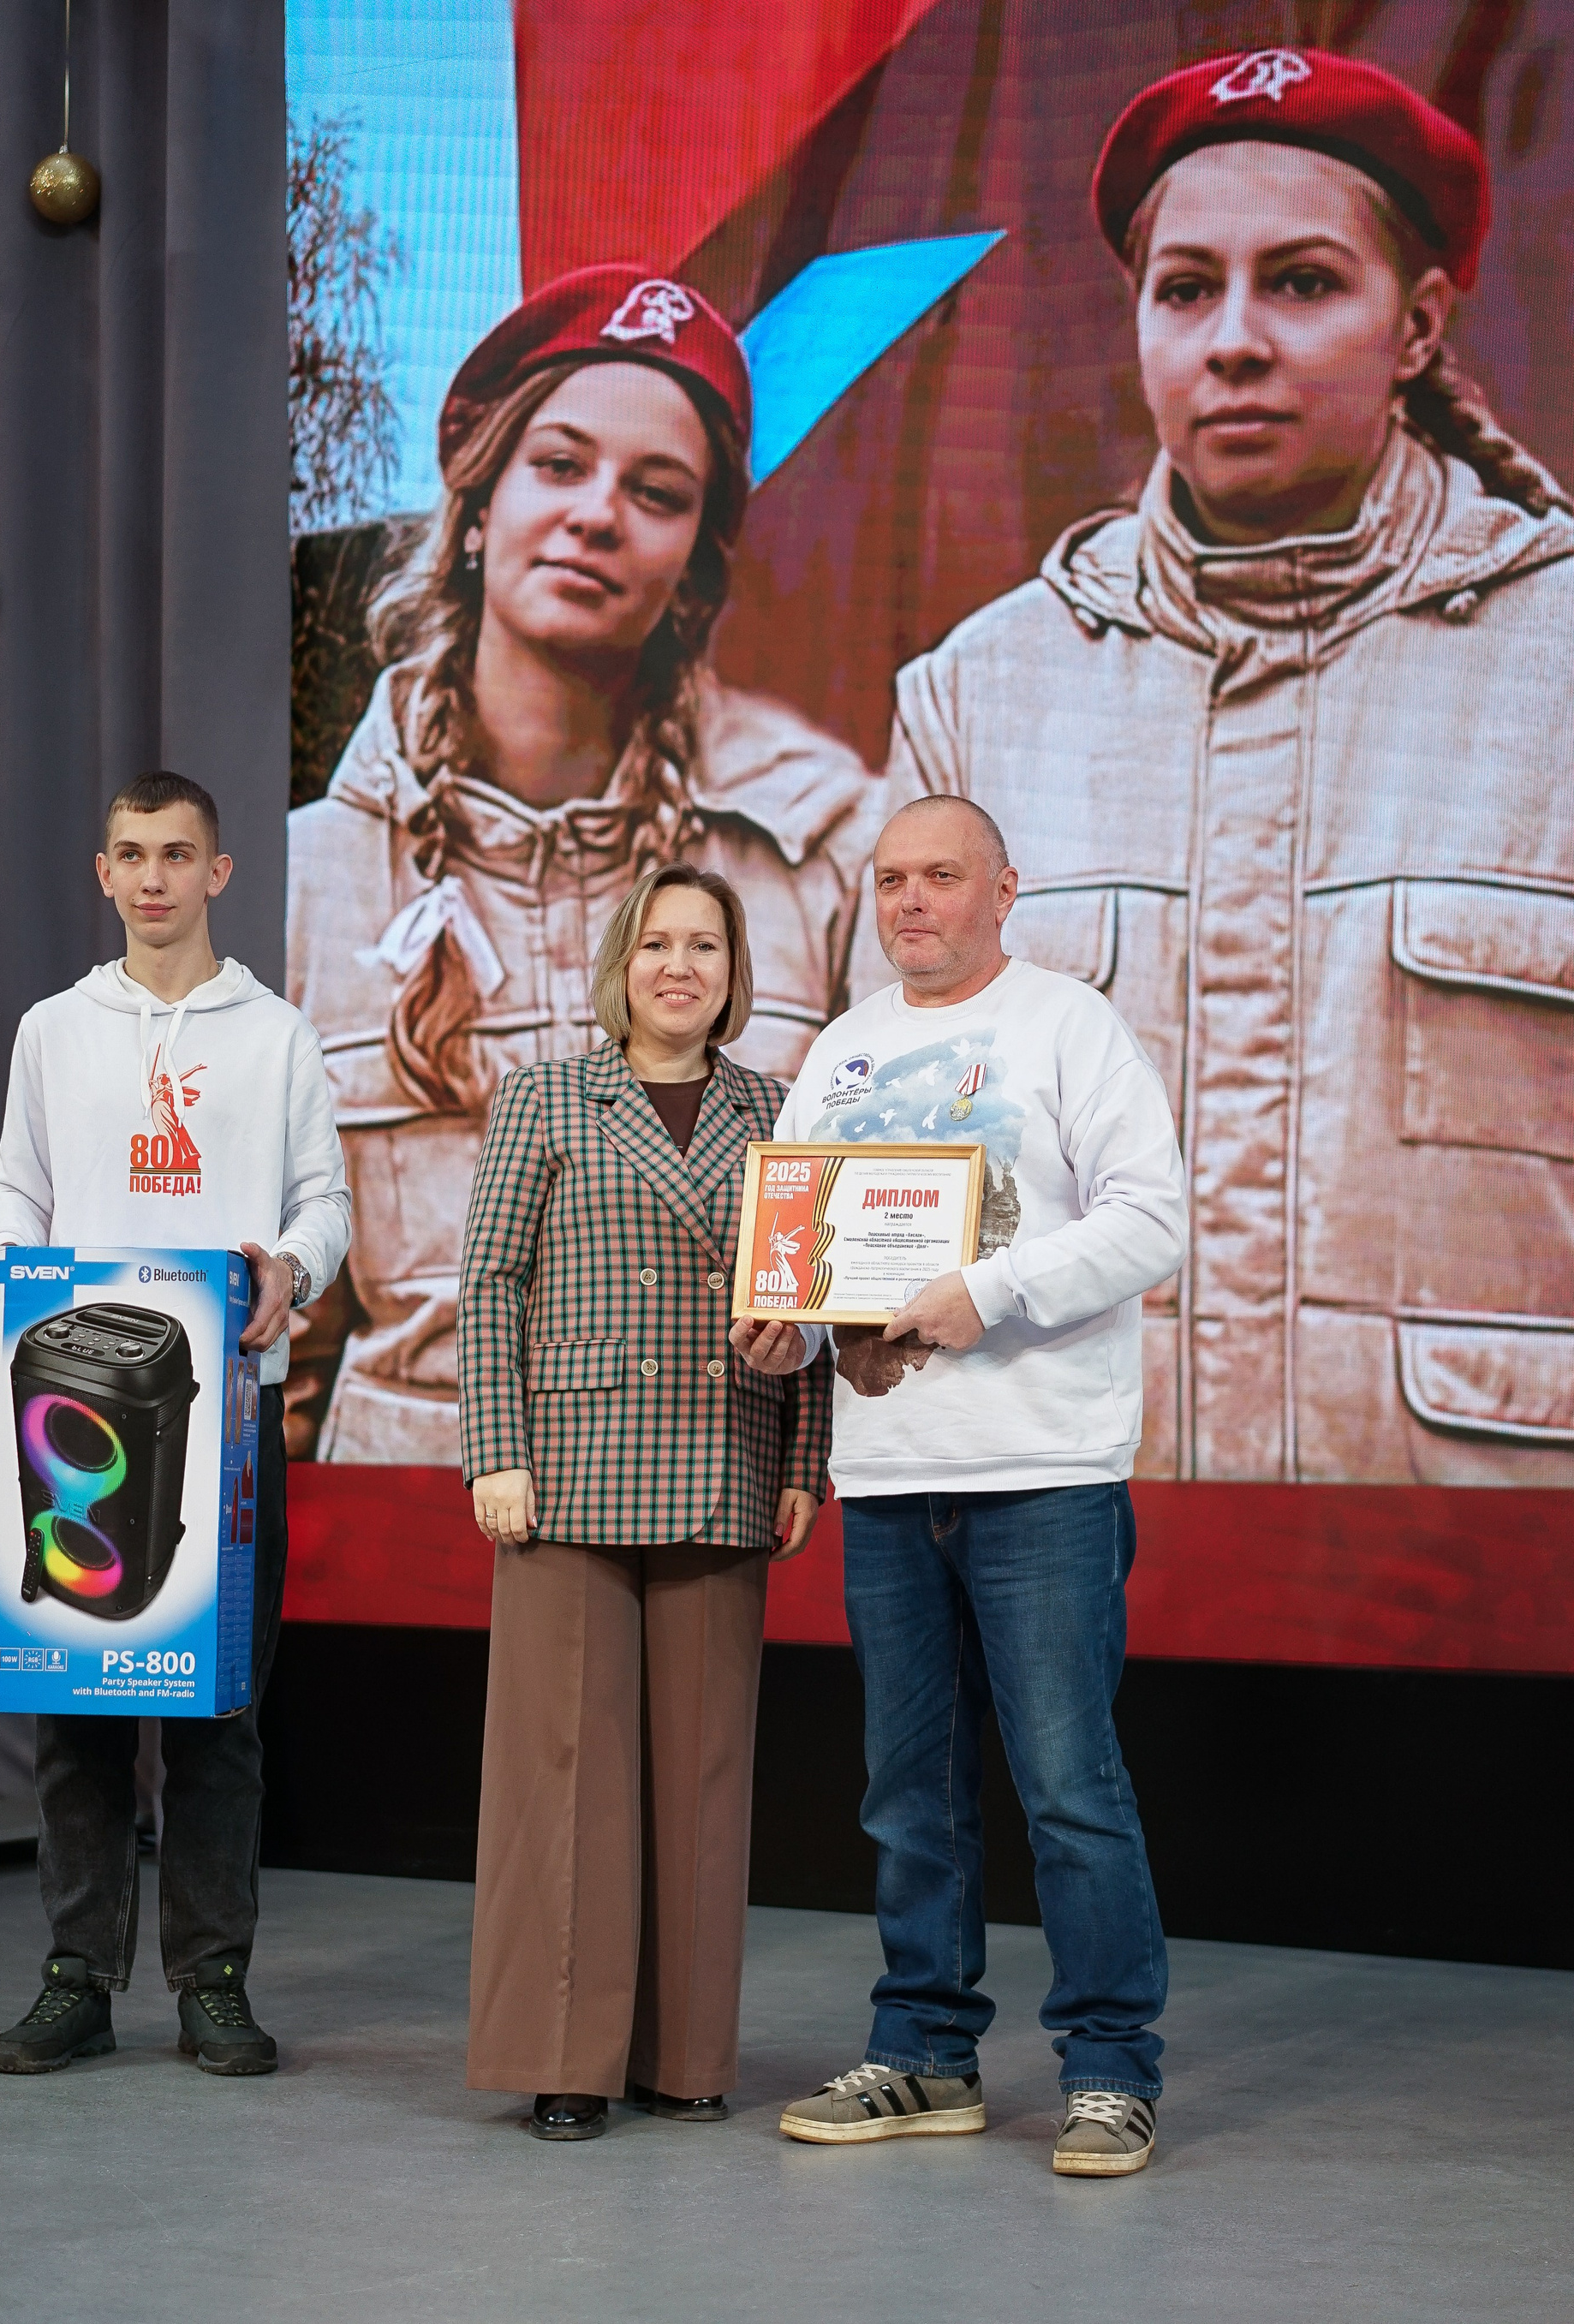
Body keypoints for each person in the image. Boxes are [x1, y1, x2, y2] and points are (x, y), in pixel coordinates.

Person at [851, 48, 1574, 1487]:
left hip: (1483, 1566)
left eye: (1301, 282)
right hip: (1065, 1530)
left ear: (1420, 326)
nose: (1233, 340)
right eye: (1186, 290)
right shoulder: (980, 698)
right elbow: (885, 1167)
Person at [286, 264, 873, 1464]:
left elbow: (863, 1303)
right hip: (409, 1535)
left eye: (655, 493)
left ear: (693, 568)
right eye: (559, 465)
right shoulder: (309, 881)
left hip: (710, 1511)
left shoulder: (824, 862)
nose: (598, 514)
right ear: (476, 506)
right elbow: (276, 1353)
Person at [740, 796, 1187, 2173]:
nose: (912, 900)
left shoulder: (1069, 1026)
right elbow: (805, 1252)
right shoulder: (843, 1048)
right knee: (907, 1792)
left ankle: (1108, 2068)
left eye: (942, 875)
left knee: (1068, 1783)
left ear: (1005, 888)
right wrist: (784, 1327)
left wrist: (986, 1289)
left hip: (1044, 1468)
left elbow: (1152, 1218)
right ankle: (926, 2051)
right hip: (889, 1473)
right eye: (892, 879)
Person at [0, 772, 351, 2076]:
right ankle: (77, 1975)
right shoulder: (54, 1029)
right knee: (73, 1704)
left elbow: (323, 1202)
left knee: (218, 1712)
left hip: (226, 1413)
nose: (153, 877)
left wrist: (290, 1266)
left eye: (177, 854)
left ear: (218, 872)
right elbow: (17, 1188)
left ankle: (213, 1979)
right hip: (68, 1403)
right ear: (104, 872)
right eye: (131, 854)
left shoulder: (278, 1035)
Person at [459, 861, 831, 2140]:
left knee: (704, 1775)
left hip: (726, 1460)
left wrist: (803, 1463)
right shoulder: (546, 1095)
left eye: (706, 946)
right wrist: (495, 1451)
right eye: (659, 942)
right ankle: (566, 2055)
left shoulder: (780, 1109)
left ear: (734, 974)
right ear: (623, 961)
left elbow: (805, 1298)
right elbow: (492, 1282)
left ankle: (685, 2053)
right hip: (567, 1469)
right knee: (562, 1770)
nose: (681, 966)